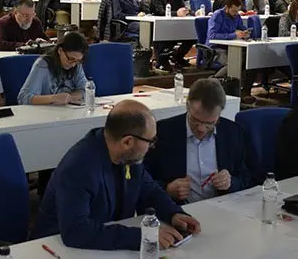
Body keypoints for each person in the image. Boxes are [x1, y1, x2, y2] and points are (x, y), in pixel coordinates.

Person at [31, 100, 200, 250]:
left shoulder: (128, 156)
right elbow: (76, 231)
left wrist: (173, 214)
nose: (151, 147)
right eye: (150, 141)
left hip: (102, 244)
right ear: (127, 141)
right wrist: (142, 236)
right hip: (56, 250)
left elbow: (148, 190)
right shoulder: (79, 167)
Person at [145, 78, 253, 204]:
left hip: (222, 207)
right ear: (187, 105)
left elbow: (248, 177)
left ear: (220, 114)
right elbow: (143, 178)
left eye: (209, 123)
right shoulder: (163, 132)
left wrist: (231, 183)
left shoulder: (233, 132)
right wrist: (166, 189)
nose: (201, 129)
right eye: (195, 120)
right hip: (177, 210)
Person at [17, 31, 88, 105]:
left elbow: (86, 89)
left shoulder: (76, 64)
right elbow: (23, 98)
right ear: (60, 50)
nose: (73, 65)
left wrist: (69, 98)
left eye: (78, 61)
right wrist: (52, 98)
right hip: (45, 113)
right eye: (70, 59)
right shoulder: (42, 65)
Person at [150, 0, 193, 68]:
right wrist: (176, 13)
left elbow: (184, 8)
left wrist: (191, 12)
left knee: (192, 36)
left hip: (175, 26)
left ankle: (177, 56)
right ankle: (161, 60)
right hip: (159, 27)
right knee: (165, 36)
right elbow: (159, 12)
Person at [207, 0, 250, 73]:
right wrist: (234, 35)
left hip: (231, 47)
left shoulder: (236, 16)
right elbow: (212, 36)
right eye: (234, 11)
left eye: (237, 11)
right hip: (216, 48)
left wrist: (245, 33)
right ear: (227, 7)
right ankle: (215, 80)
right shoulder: (218, 15)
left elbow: (242, 28)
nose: (236, 13)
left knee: (246, 61)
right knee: (233, 65)